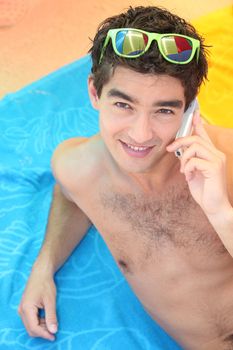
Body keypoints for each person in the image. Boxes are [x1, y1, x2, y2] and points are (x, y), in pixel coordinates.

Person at [18, 6, 233, 350]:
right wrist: (44, 266)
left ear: (189, 108)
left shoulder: (227, 160)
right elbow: (69, 194)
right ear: (94, 92)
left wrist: (221, 211)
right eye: (123, 105)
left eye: (164, 110)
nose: (141, 134)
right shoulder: (76, 167)